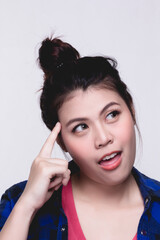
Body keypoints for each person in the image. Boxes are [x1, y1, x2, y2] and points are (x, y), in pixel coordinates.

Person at [0, 37, 160, 240]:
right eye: (81, 127)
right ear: (61, 141)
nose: (103, 138)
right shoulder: (19, 204)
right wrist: (27, 206)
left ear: (131, 108)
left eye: (112, 114)